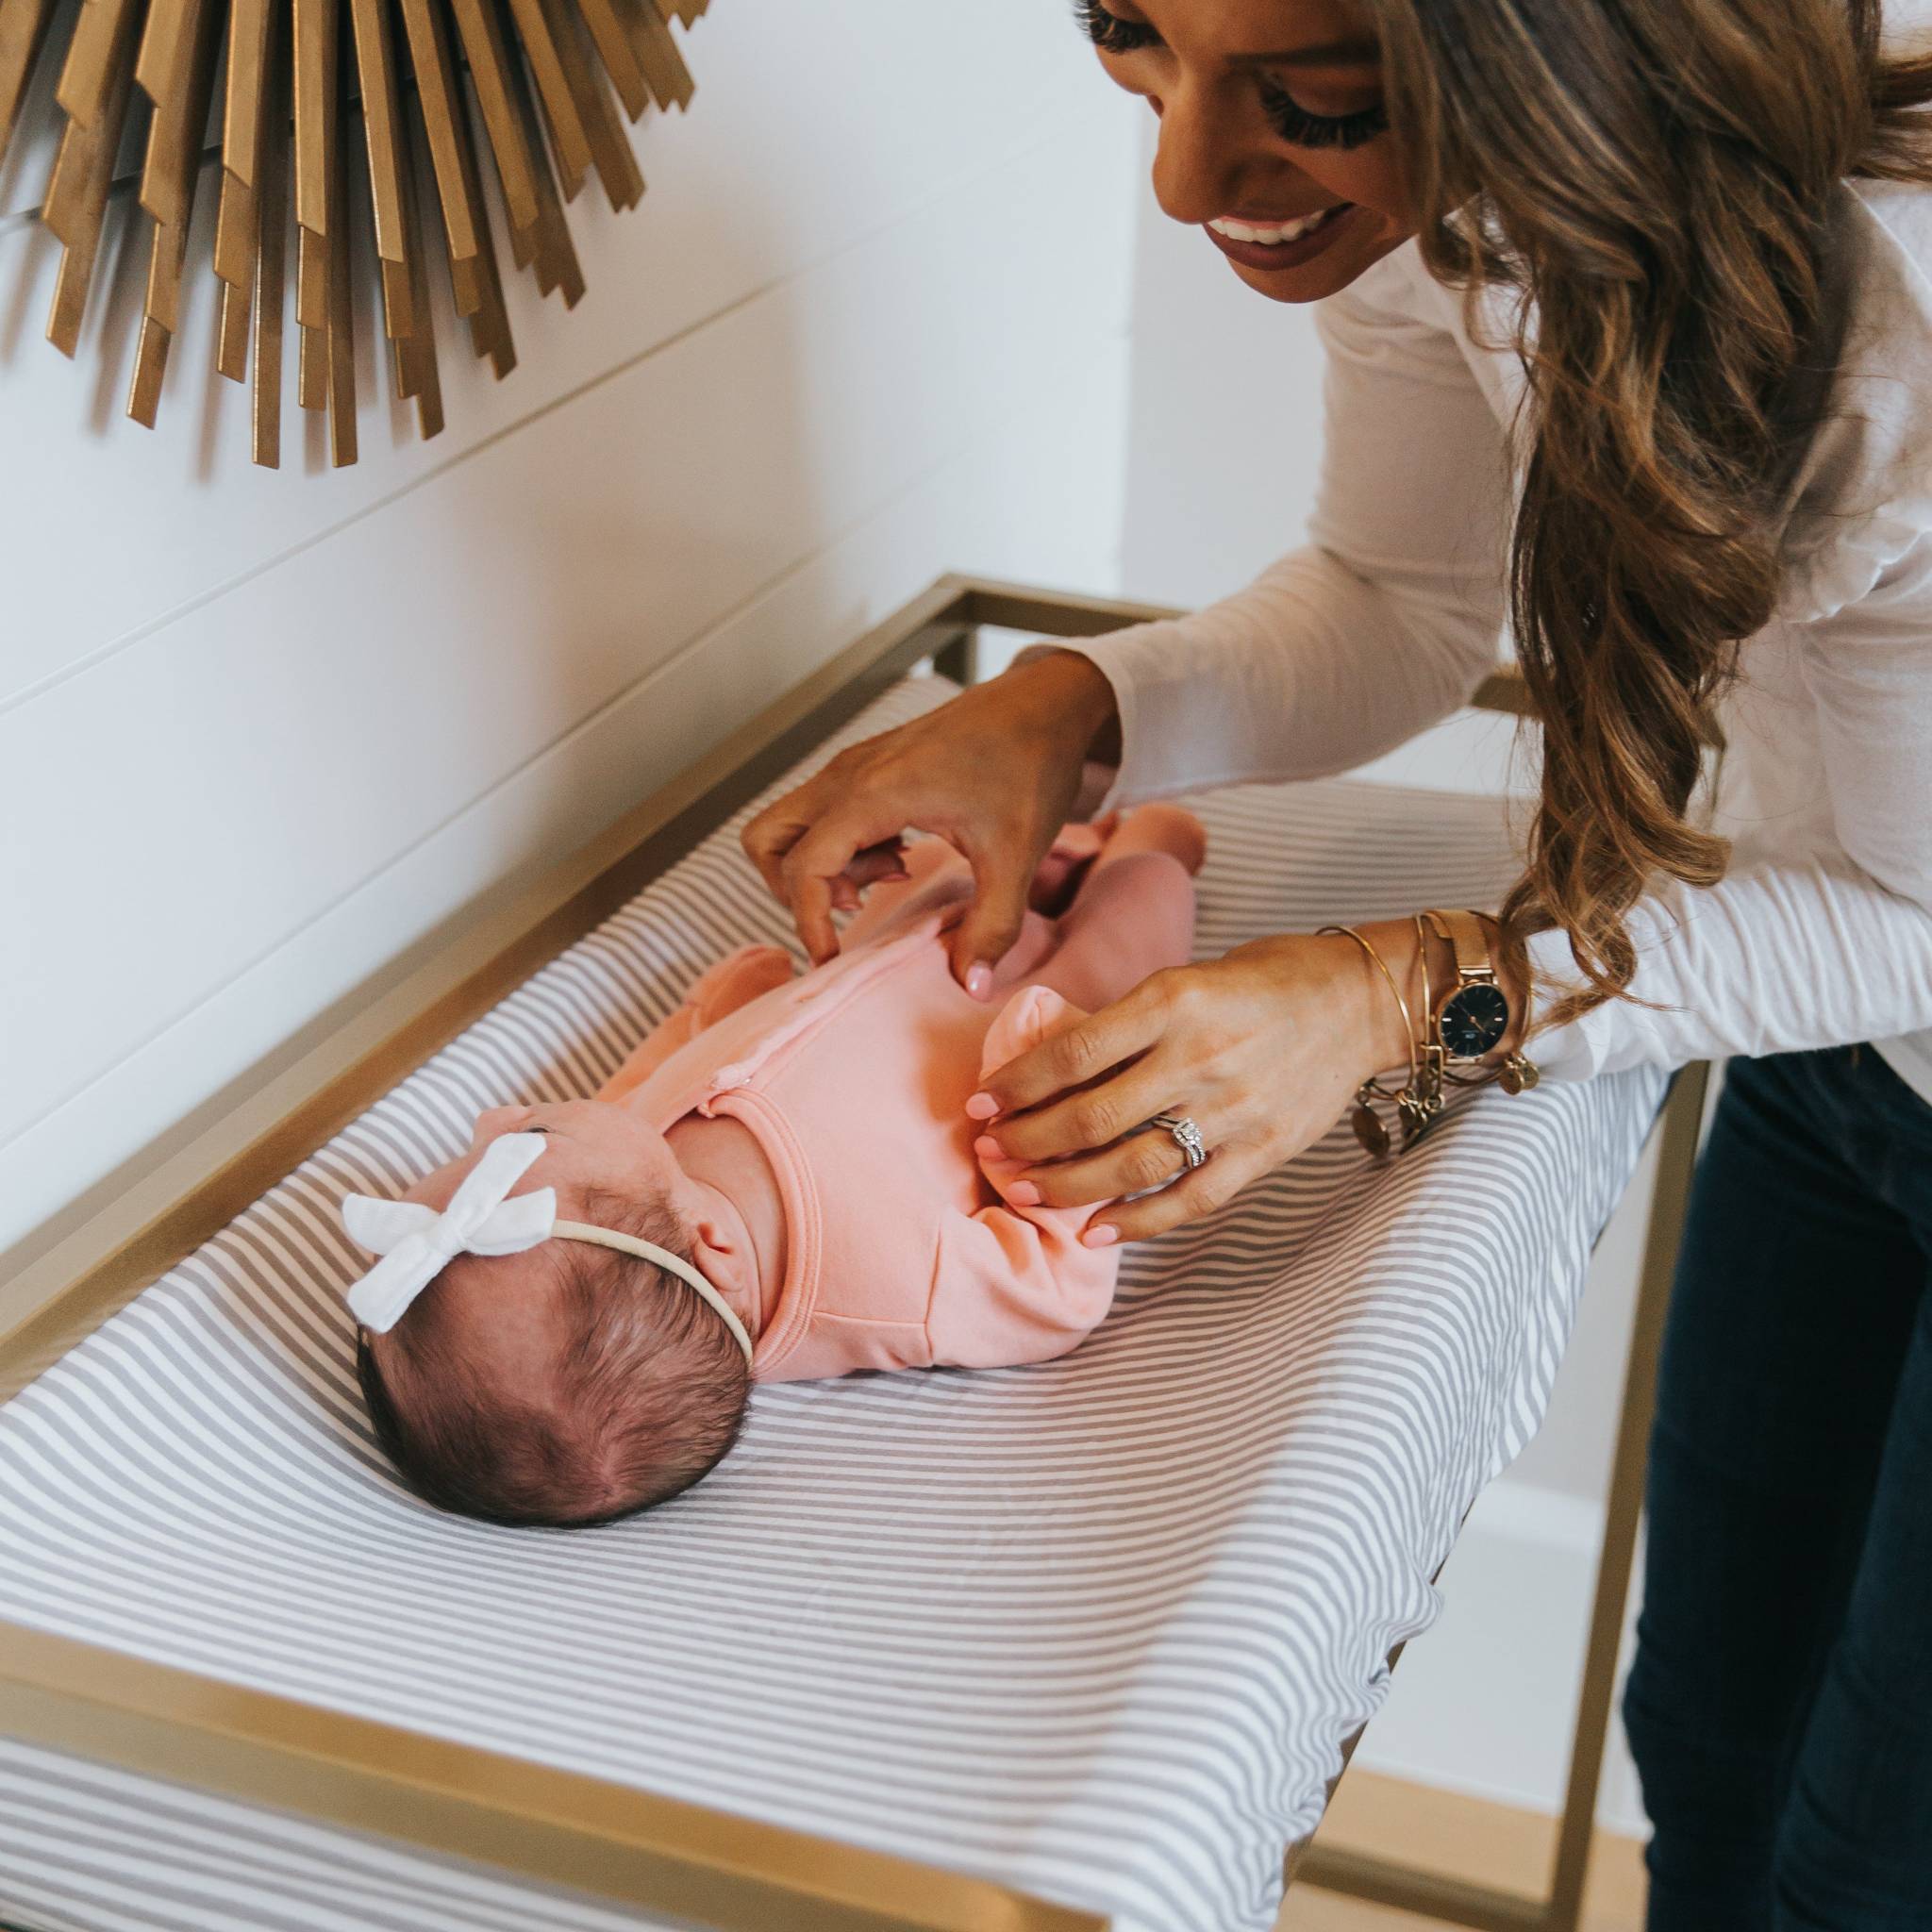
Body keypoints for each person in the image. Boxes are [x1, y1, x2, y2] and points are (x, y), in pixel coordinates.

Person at [738, 5, 1932, 1926]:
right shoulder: (1451, 209)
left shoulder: (1905, 334)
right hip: (1839, 1070)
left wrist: (1398, 996)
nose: (1183, 178)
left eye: (1312, 102)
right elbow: (1396, 598)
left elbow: (1911, 917)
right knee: (1708, 1739)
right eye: (1132, 34)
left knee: (1867, 1864)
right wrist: (1071, 709)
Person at [344, 808, 1206, 1525]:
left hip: (894, 948)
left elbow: (640, 1080)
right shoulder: (889, 1287)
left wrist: (704, 1018)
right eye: (526, 1140)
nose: (494, 1118)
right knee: (1138, 915)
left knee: (945, 857)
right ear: (712, 1245)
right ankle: (1146, 845)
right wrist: (1050, 1154)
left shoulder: (637, 1175)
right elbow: (1053, 1302)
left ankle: (1057, 830)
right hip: (1043, 1026)